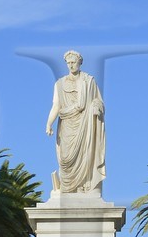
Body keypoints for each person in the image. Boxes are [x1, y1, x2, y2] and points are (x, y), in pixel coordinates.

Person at [44, 49, 105, 195]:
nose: (71, 65)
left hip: (85, 125)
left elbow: (98, 101)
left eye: (74, 62)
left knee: (86, 155)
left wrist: (96, 106)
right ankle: (67, 188)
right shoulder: (59, 84)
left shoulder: (89, 81)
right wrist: (49, 123)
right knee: (65, 159)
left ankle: (84, 186)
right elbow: (56, 106)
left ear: (80, 63)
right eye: (68, 63)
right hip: (67, 124)